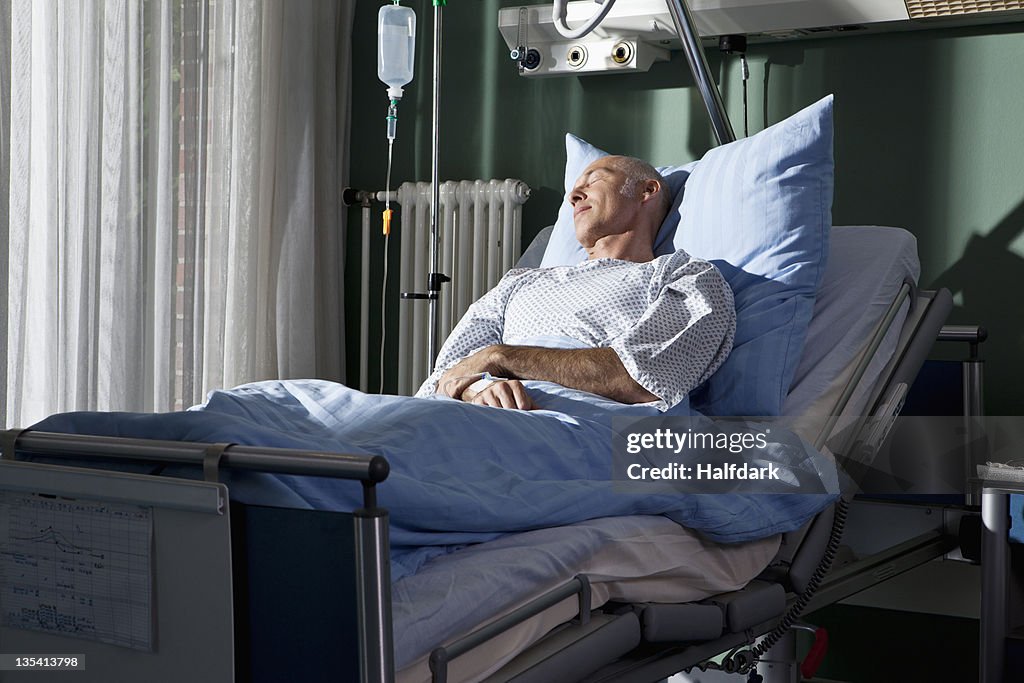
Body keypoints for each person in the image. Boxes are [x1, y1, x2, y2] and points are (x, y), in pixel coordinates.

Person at [415, 155, 735, 411]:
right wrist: (479, 388)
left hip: (577, 425)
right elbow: (443, 380)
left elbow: (641, 377)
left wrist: (502, 359)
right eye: (575, 186)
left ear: (646, 191)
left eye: (594, 179)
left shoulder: (684, 276)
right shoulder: (520, 284)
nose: (573, 195)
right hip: (475, 415)